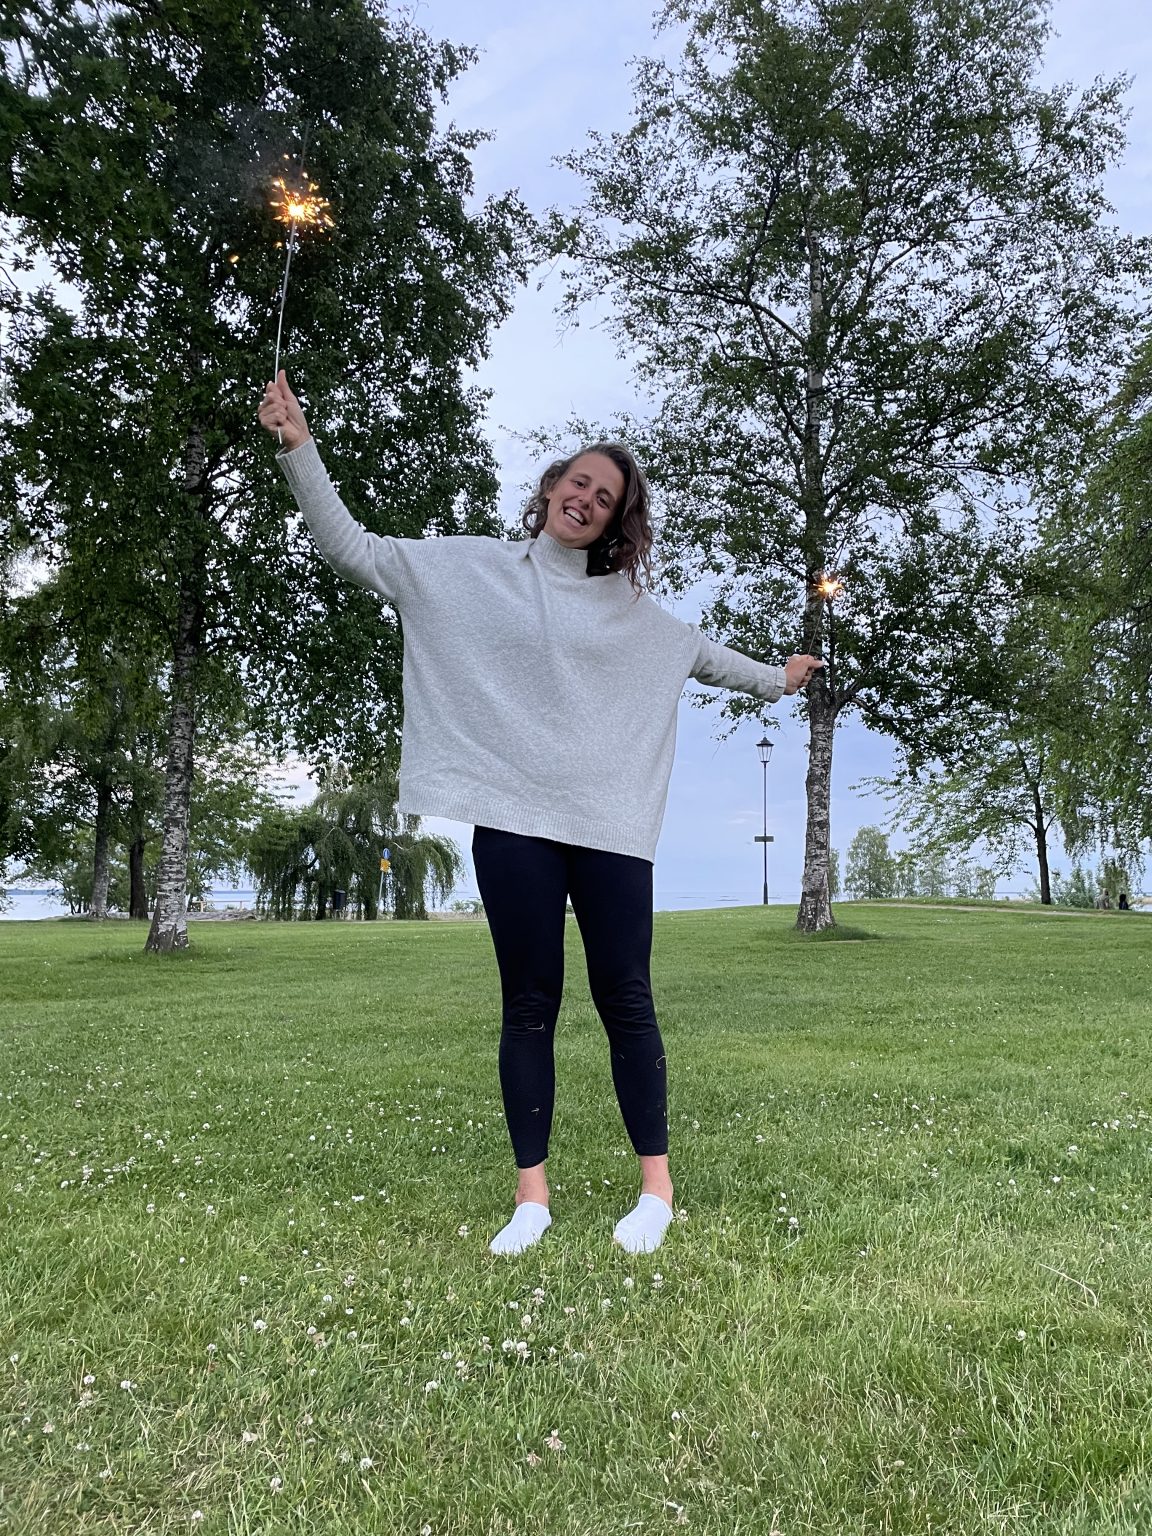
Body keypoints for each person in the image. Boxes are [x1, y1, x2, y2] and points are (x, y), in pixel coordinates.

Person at [258, 371, 825, 1256]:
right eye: (579, 483)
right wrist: (300, 447)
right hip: (514, 822)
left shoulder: (630, 612)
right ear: (554, 485)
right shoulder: (474, 569)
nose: (586, 501)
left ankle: (657, 1192)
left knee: (626, 999)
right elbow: (357, 550)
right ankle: (532, 1198)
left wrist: (778, 679)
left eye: (605, 500)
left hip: (610, 828)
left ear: (615, 522)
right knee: (528, 1004)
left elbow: (702, 657)